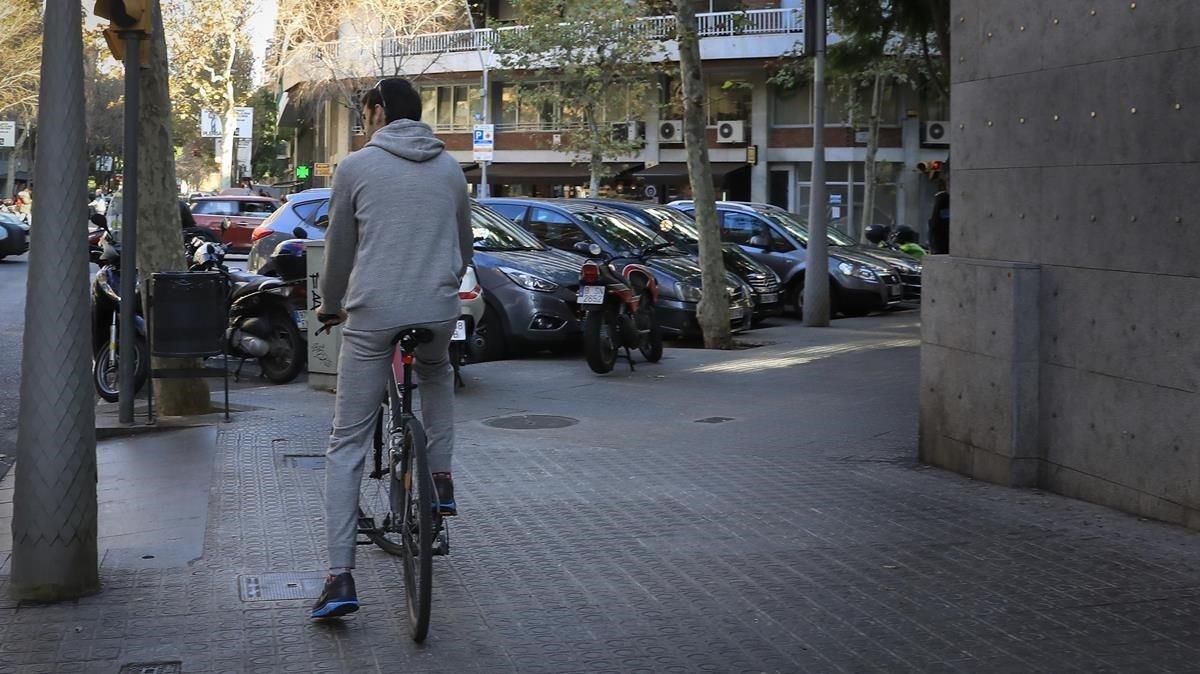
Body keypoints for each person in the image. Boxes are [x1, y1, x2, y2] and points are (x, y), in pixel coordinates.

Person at [310, 78, 473, 619]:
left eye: (364, 110)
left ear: (379, 112)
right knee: (436, 374)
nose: (362, 120)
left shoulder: (356, 167)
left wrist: (332, 304)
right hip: (437, 307)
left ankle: (339, 579)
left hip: (373, 313)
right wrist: (444, 282)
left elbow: (338, 251)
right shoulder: (449, 168)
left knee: (347, 439)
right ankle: (441, 479)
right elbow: (464, 245)